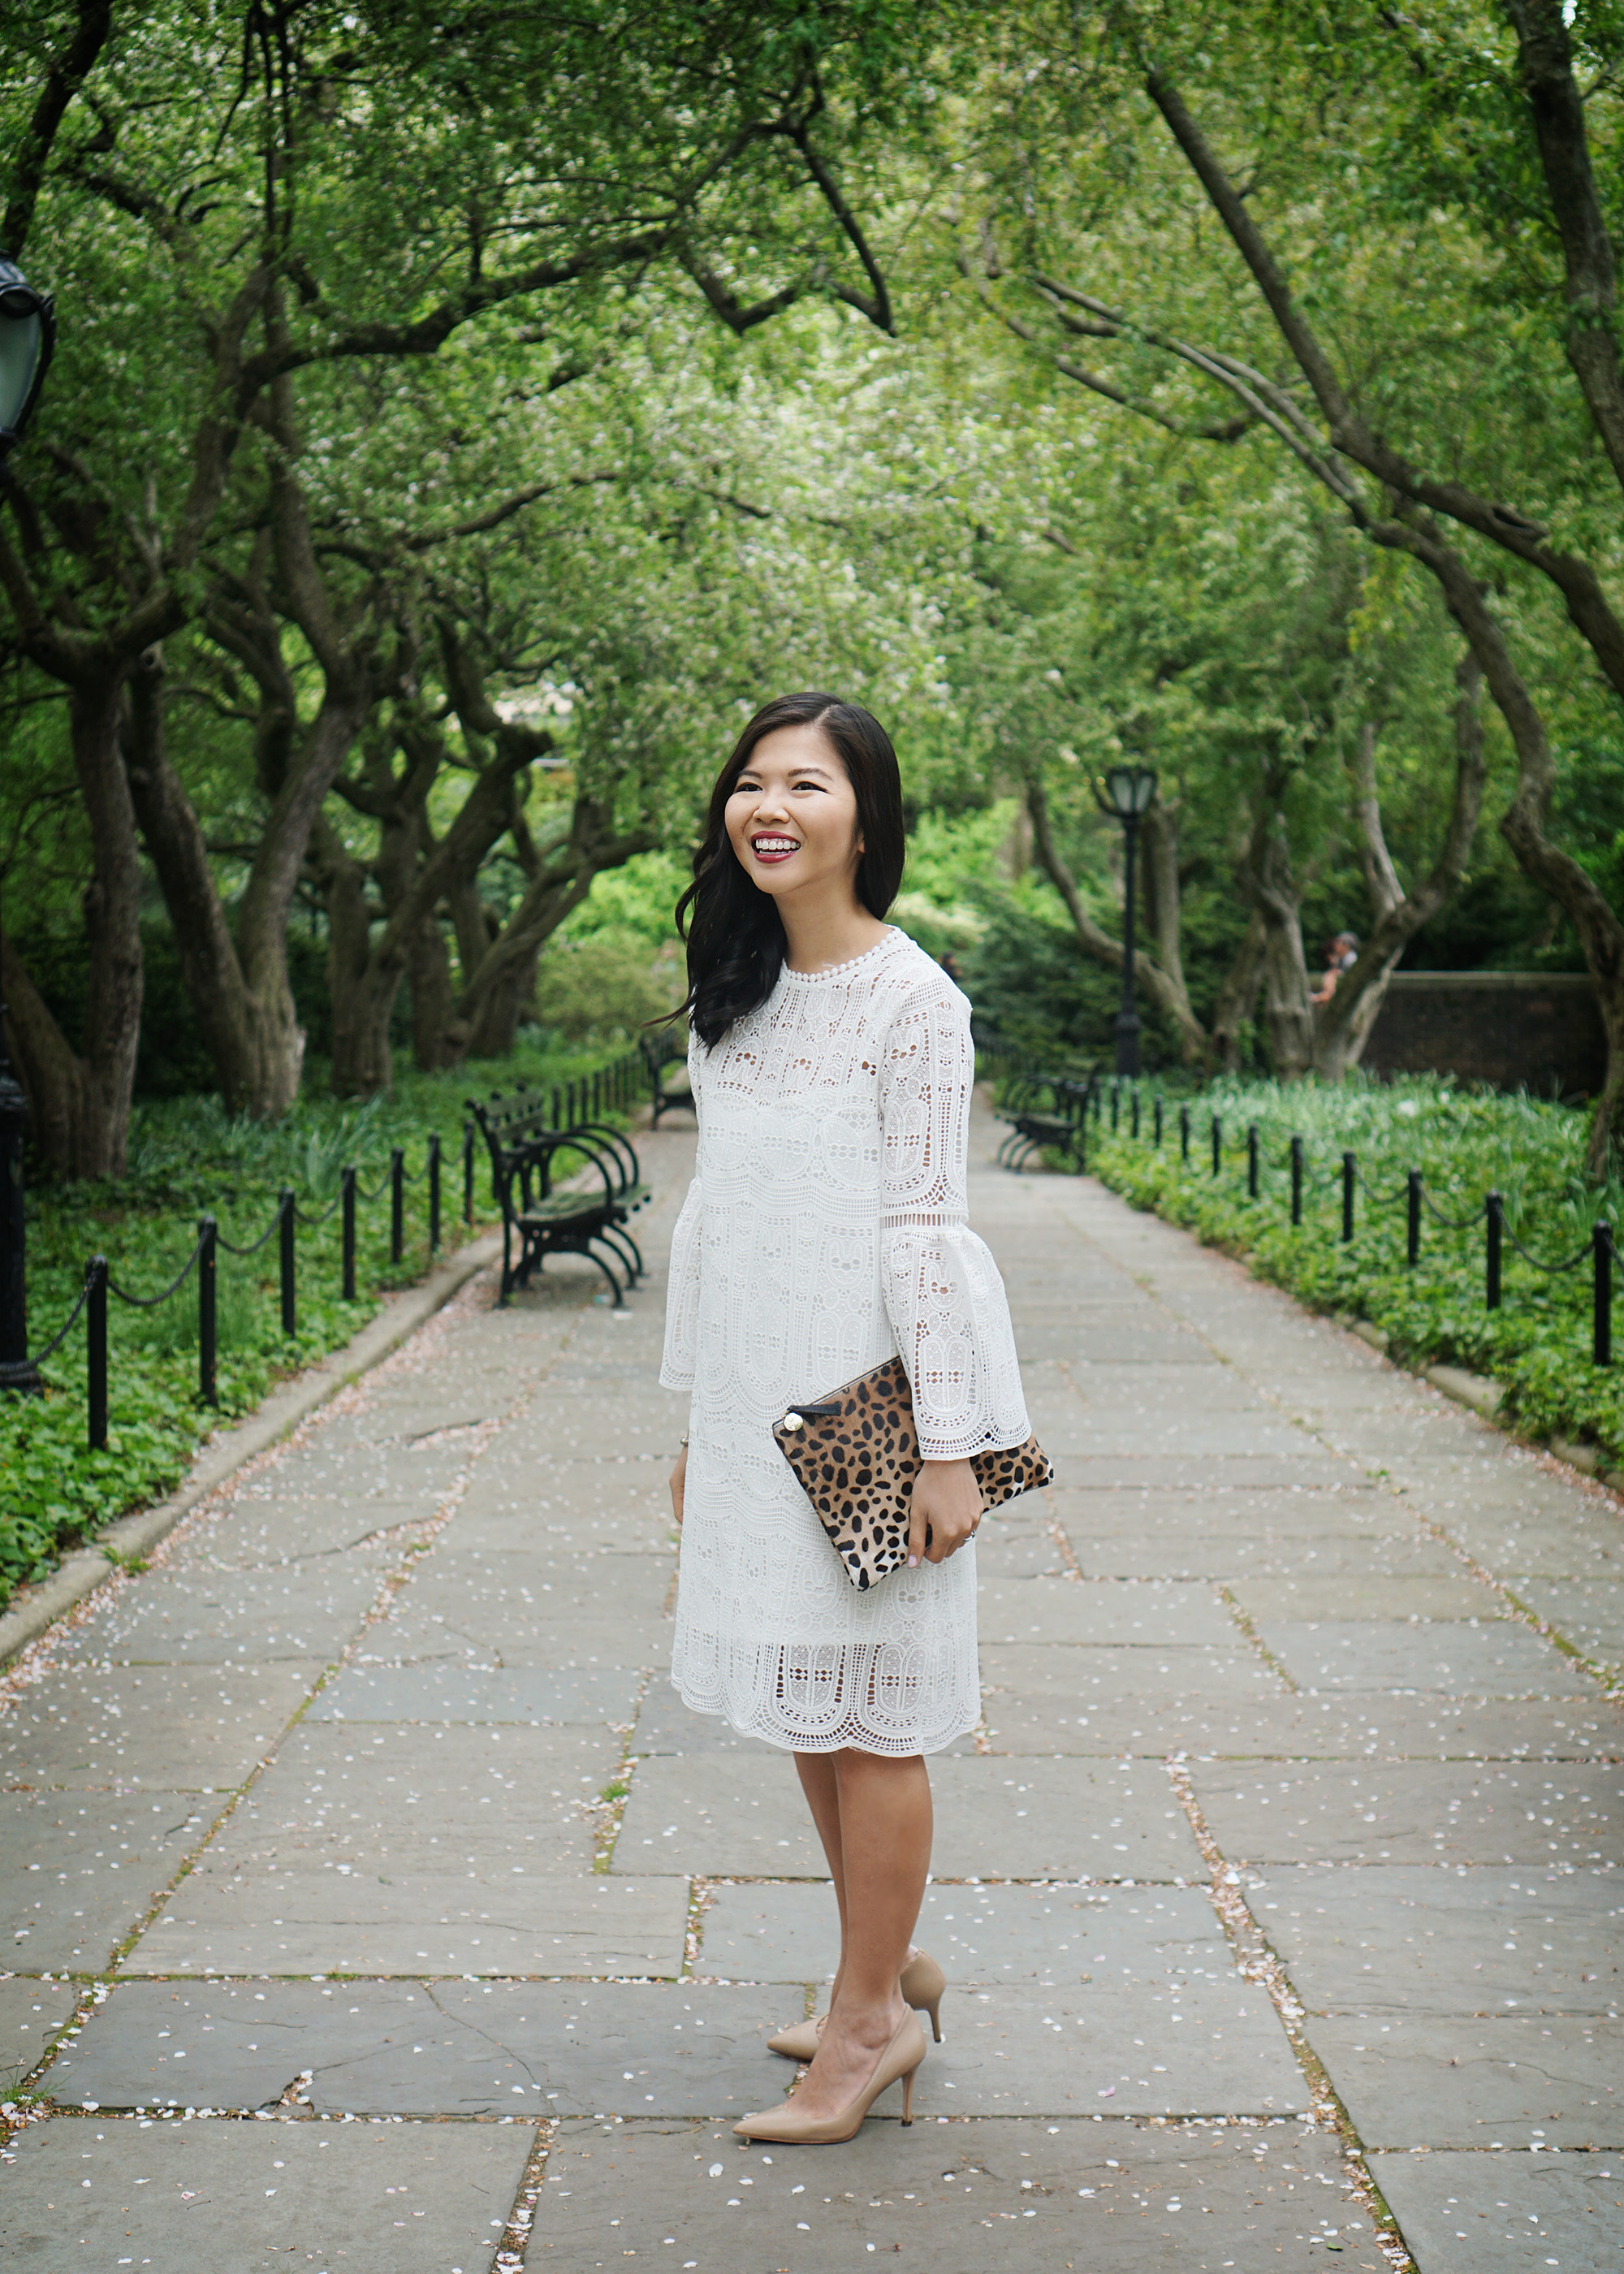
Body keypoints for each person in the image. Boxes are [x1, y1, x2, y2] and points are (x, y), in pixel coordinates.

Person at [660, 692, 1030, 2146]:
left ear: (863, 817)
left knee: (874, 1721)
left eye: (804, 785)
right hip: (761, 1408)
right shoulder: (735, 986)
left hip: (875, 1417)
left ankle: (873, 2026)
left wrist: (951, 1448)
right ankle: (879, 1964)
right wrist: (699, 1426)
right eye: (751, 784)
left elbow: (929, 1232)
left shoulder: (913, 1001)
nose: (771, 808)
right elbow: (717, 1225)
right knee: (813, 1712)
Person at [1310, 931, 1359, 1006]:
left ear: (1346, 946)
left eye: (1338, 943)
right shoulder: (1343, 958)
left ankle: (1319, 997)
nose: (1335, 946)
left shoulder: (1351, 959)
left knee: (1331, 976)